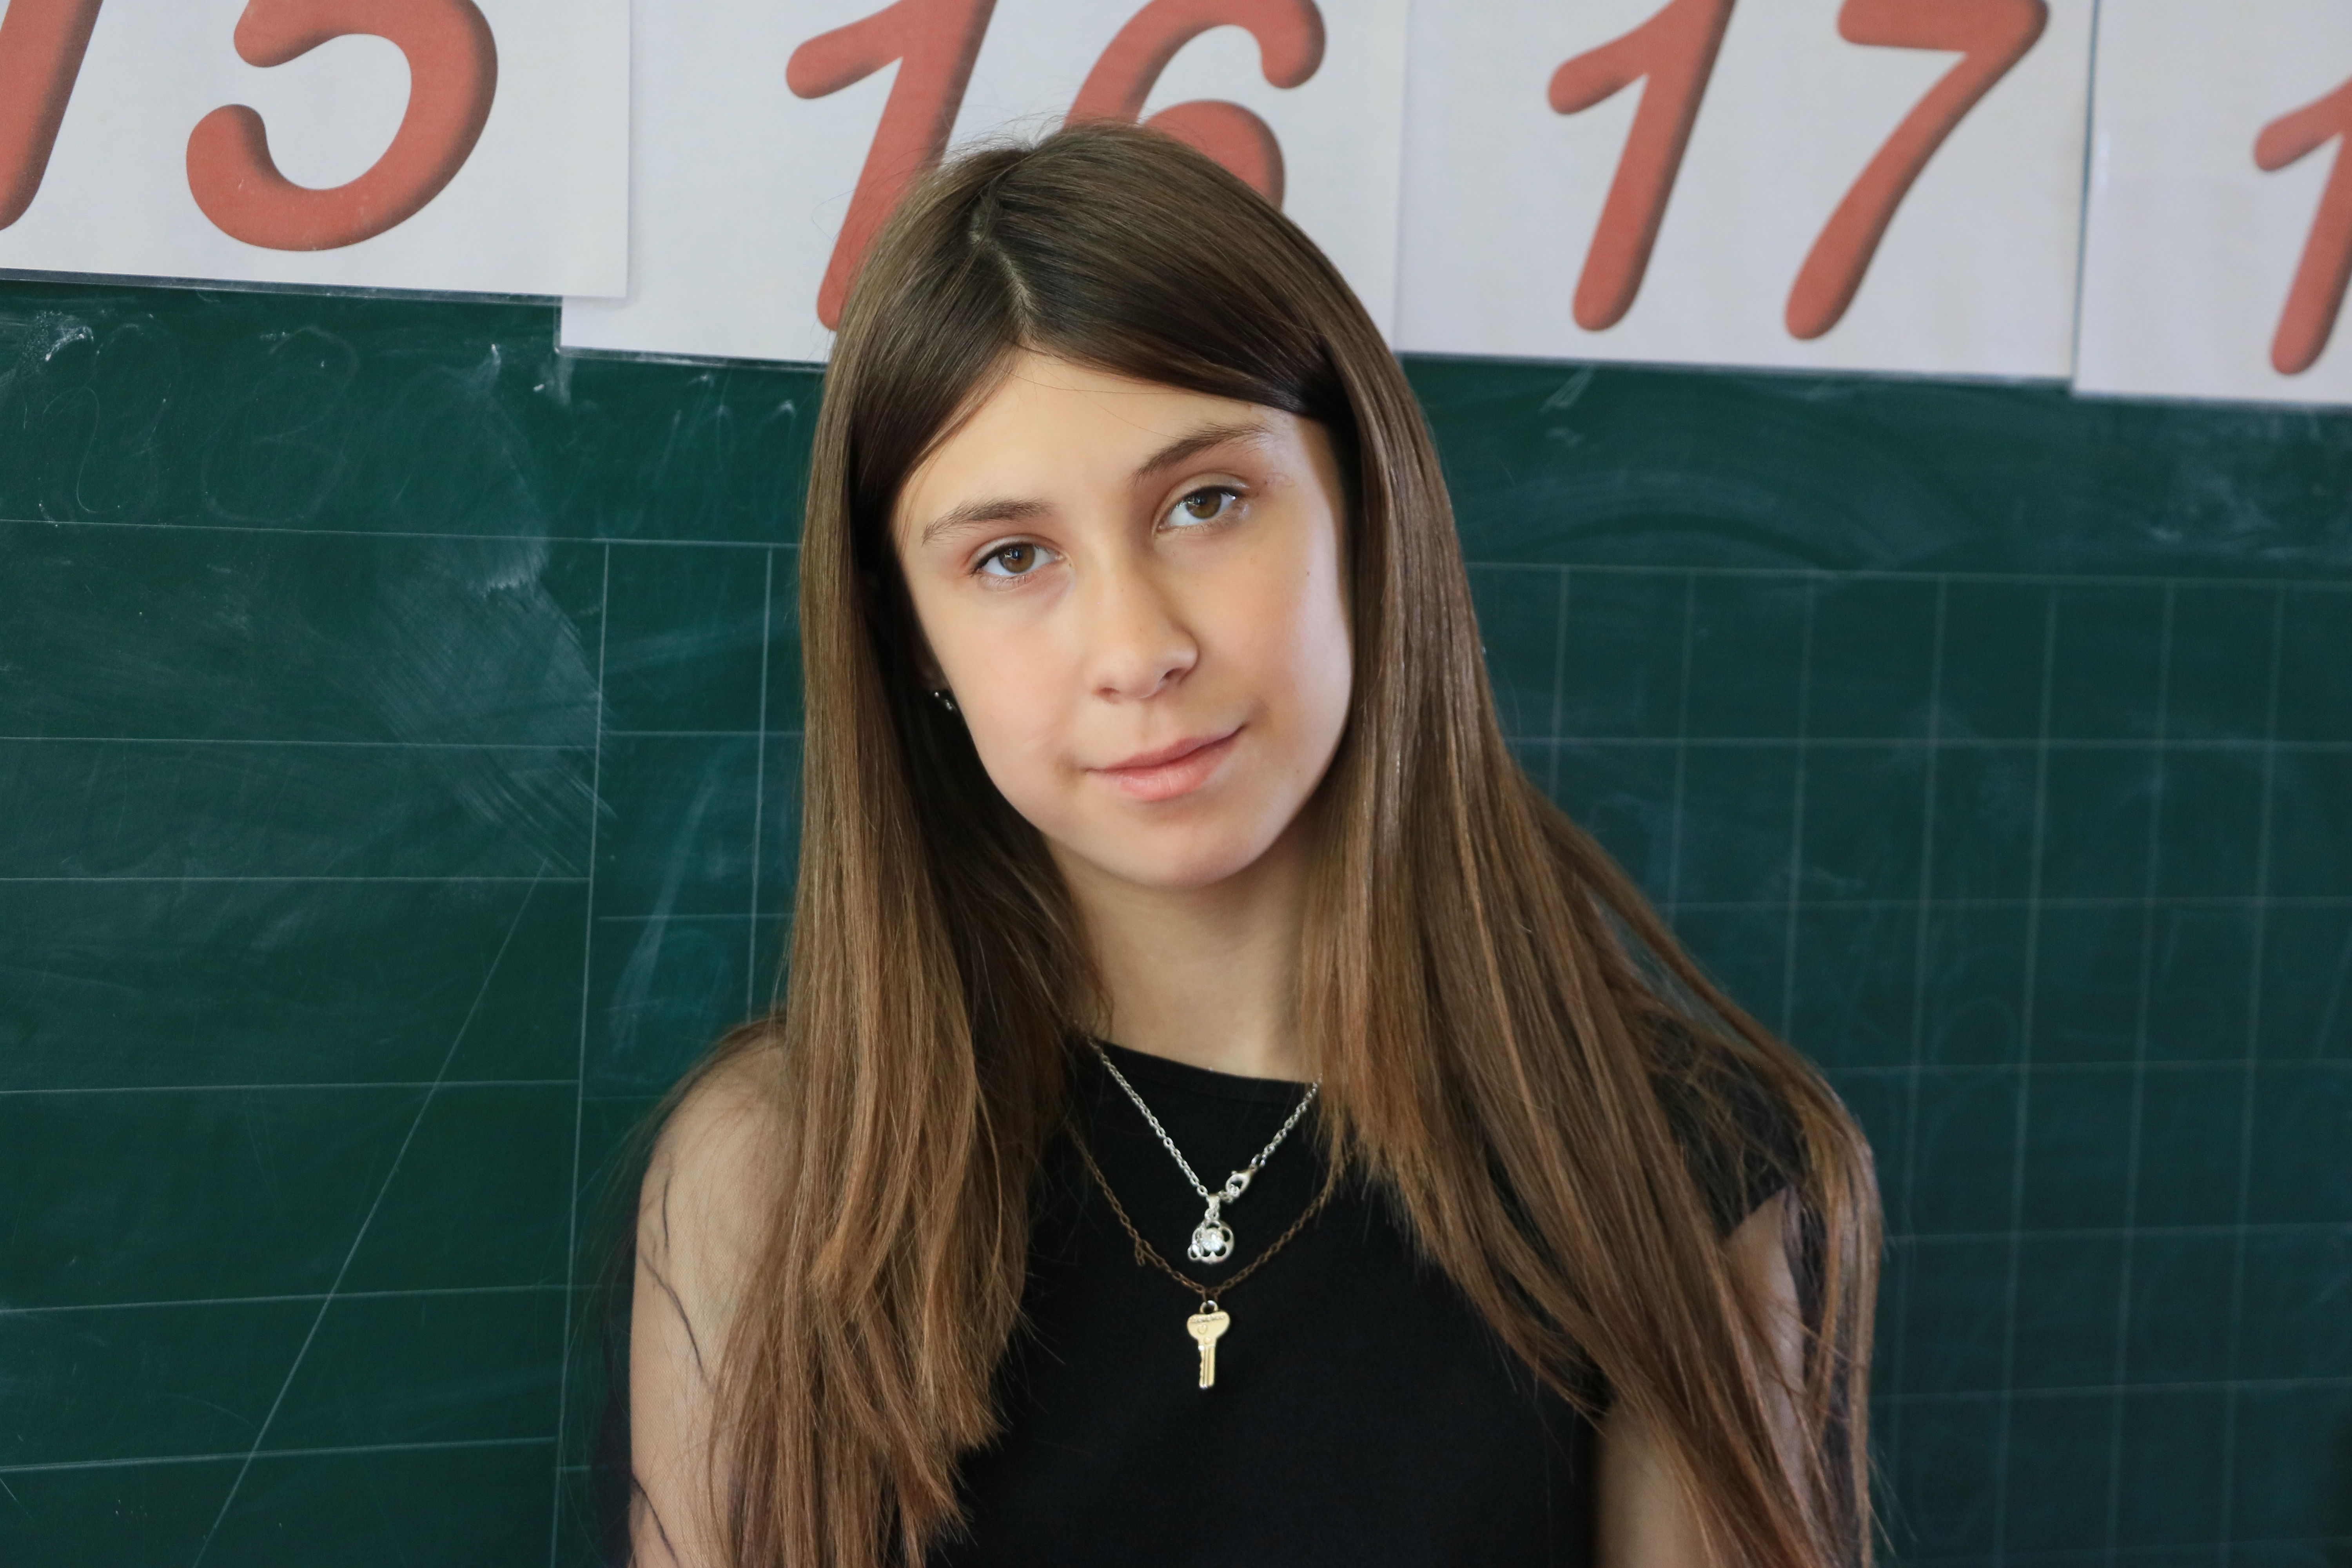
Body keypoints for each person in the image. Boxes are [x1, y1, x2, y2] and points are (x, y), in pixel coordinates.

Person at [621, 121, 1879, 1568]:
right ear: (913, 640)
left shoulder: (1668, 1166)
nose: (1137, 649)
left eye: (1206, 502)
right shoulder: (782, 1174)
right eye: (1011, 557)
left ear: (1364, 515)